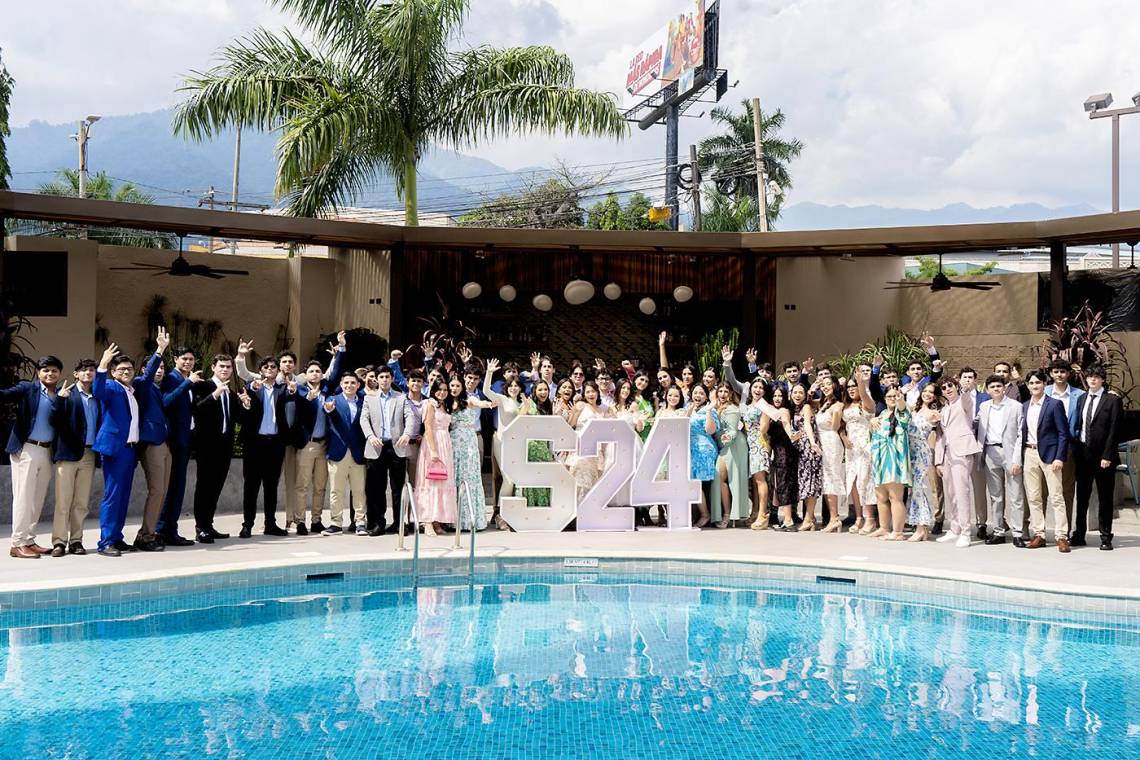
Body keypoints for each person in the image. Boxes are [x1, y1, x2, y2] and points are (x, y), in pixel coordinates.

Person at [92, 342, 158, 556]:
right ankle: (106, 542)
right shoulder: (112, 387)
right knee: (113, 496)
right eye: (121, 369)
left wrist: (159, 351)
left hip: (130, 450)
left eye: (129, 368)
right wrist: (102, 363)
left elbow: (147, 377)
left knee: (123, 495)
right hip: (115, 449)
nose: (126, 372)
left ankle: (117, 538)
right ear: (113, 372)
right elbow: (98, 391)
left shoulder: (131, 389)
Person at [134, 329, 196, 551]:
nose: (159, 371)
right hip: (155, 443)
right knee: (159, 490)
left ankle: (160, 531)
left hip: (170, 443)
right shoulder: (145, 383)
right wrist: (160, 349)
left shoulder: (157, 387)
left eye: (161, 368)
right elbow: (168, 402)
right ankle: (150, 533)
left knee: (168, 489)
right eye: (156, 368)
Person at [1, 355, 63, 558]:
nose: (50, 373)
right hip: (26, 449)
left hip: (46, 451)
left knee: (37, 499)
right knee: (23, 498)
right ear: (38, 373)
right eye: (45, 370)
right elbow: (4, 395)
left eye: (54, 370)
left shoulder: (61, 394)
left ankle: (28, 539)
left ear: (59, 373)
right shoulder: (28, 389)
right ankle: (17, 543)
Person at [291, 333, 346, 534]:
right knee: (302, 486)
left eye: (318, 371)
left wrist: (340, 349)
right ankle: (300, 522)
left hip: (324, 445)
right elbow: (298, 408)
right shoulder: (298, 390)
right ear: (305, 375)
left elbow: (337, 370)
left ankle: (316, 520)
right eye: (311, 371)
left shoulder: (328, 389)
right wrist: (308, 399)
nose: (315, 374)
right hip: (307, 444)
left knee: (320, 486)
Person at [238, 356, 296, 538]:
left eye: (273, 366)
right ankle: (247, 524)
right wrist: (250, 394)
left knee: (271, 487)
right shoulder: (253, 387)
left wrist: (293, 391)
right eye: (266, 366)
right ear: (261, 370)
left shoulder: (283, 389)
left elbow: (291, 397)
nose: (270, 369)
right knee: (251, 486)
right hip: (255, 444)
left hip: (275, 443)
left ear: (277, 370)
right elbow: (247, 395)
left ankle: (270, 523)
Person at [48, 359, 100, 556]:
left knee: (81, 502)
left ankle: (76, 541)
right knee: (63, 502)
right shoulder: (66, 393)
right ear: (76, 373)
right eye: (84, 370)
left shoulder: (97, 396)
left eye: (92, 370)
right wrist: (60, 399)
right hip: (68, 454)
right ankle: (59, 542)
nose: (88, 372)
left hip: (89, 453)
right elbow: (53, 420)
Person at [1070, 365, 1123, 551]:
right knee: (1082, 496)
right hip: (1084, 454)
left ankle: (1106, 536)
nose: (1092, 380)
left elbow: (1115, 430)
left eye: (1096, 377)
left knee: (1105, 497)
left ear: (1102, 379)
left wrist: (1108, 454)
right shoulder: (1082, 398)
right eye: (1090, 376)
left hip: (1103, 456)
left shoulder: (1112, 400)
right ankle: (1079, 534)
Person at [191, 354, 243, 544]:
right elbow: (197, 410)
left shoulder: (230, 391)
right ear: (213, 367)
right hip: (207, 445)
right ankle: (200, 528)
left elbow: (235, 419)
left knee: (216, 487)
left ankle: (209, 524)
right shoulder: (202, 386)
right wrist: (215, 394)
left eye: (228, 367)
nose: (225, 369)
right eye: (221, 366)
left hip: (225, 446)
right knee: (204, 486)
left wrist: (244, 404)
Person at [974, 374, 1025, 547]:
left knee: (1016, 494)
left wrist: (1017, 459)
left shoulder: (1016, 406)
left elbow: (1020, 435)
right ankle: (998, 531)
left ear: (1004, 388)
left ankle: (1018, 532)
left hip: (1010, 452)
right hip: (990, 451)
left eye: (999, 386)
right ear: (987, 390)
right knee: (996, 495)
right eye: (992, 387)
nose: (996, 389)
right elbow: (974, 424)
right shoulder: (984, 406)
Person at [1021, 370, 1070, 550]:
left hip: (1050, 455)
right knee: (1033, 497)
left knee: (1056, 496)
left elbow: (1063, 433)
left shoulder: (1054, 404)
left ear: (1044, 384)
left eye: (1038, 383)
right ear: (1027, 386)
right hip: (1029, 453)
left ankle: (1061, 536)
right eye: (1031, 383)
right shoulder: (1024, 406)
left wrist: (1059, 456)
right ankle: (1039, 534)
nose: (1035, 386)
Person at [156, 345, 199, 546]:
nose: (188, 362)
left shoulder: (186, 379)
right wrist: (188, 383)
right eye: (184, 359)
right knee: (171, 487)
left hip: (185, 440)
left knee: (178, 487)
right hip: (173, 441)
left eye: (191, 359)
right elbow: (166, 402)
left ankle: (171, 529)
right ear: (176, 359)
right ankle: (162, 530)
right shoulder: (172, 378)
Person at [360, 364, 411, 535]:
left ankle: (399, 523)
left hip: (396, 447)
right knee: (376, 487)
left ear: (392, 379)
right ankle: (377, 523)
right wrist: (371, 436)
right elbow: (364, 420)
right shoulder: (369, 398)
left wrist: (407, 434)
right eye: (381, 377)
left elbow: (409, 418)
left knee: (398, 488)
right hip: (376, 447)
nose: (384, 380)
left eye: (387, 377)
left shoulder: (401, 397)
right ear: (377, 379)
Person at [934, 373, 981, 548]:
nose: (948, 389)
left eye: (950, 386)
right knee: (952, 493)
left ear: (956, 387)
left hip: (962, 452)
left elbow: (967, 400)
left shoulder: (963, 402)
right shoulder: (943, 409)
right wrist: (939, 460)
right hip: (948, 454)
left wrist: (965, 389)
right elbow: (940, 436)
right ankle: (954, 528)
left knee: (962, 492)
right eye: (944, 388)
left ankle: (966, 532)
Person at [483, 359, 528, 529]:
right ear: (507, 388)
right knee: (507, 478)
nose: (514, 388)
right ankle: (500, 514)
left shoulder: (522, 404)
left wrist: (526, 405)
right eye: (511, 386)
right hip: (501, 442)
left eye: (517, 385)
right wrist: (489, 372)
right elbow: (486, 390)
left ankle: (508, 514)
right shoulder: (502, 399)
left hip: (517, 445)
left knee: (514, 479)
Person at [323, 372, 368, 535]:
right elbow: (328, 410)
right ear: (341, 385)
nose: (349, 385)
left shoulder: (364, 403)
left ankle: (360, 522)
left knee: (359, 490)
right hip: (338, 452)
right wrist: (329, 409)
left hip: (358, 453)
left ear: (358, 385)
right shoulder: (332, 400)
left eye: (353, 383)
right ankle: (335, 523)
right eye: (346, 382)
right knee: (336, 490)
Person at [450, 372, 495, 532]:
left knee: (470, 477)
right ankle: (453, 521)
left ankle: (471, 519)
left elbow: (479, 402)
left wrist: (488, 404)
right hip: (453, 443)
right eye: (452, 385)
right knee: (455, 478)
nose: (455, 388)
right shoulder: (446, 403)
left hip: (469, 442)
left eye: (457, 386)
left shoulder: (468, 400)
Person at [1044, 359, 1084, 527]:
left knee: (1067, 490)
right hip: (1046, 446)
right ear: (1051, 374)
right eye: (1055, 372)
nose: (1059, 375)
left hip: (1068, 445)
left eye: (1062, 371)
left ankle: (1064, 531)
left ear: (1068, 374)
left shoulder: (1080, 395)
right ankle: (1040, 531)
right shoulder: (1044, 391)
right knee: (1042, 490)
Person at [869, 386, 911, 540]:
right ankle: (884, 527)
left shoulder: (902, 413)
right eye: (890, 396)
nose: (893, 398)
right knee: (881, 498)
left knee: (895, 497)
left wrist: (900, 400)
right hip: (879, 460)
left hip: (894, 460)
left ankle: (898, 532)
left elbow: (901, 408)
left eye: (896, 396)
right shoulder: (881, 415)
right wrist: (872, 421)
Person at [416, 378, 457, 536]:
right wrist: (433, 450)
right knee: (430, 482)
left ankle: (437, 520)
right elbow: (427, 427)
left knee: (442, 481)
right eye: (439, 389)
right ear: (433, 390)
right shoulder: (430, 404)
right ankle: (427, 521)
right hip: (433, 444)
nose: (442, 392)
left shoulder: (444, 405)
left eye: (445, 390)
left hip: (445, 443)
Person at [840, 371, 877, 534]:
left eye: (853, 386)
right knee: (853, 482)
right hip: (851, 449)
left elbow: (870, 405)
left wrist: (861, 383)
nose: (851, 389)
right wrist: (843, 437)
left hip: (865, 447)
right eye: (848, 387)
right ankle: (859, 517)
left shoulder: (865, 403)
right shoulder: (845, 406)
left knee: (865, 481)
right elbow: (840, 425)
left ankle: (870, 519)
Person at [710, 382, 750, 528]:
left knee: (733, 480)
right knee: (718, 478)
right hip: (723, 446)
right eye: (720, 391)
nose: (723, 394)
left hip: (734, 446)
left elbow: (733, 430)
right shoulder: (716, 408)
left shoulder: (733, 409)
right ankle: (726, 513)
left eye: (726, 391)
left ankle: (729, 515)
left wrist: (728, 437)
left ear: (731, 394)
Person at [906, 384, 942, 542]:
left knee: (919, 489)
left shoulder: (934, 413)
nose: (927, 394)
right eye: (925, 391)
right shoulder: (913, 409)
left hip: (922, 452)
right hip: (910, 452)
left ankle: (922, 527)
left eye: (931, 392)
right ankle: (921, 527)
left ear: (935, 396)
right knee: (914, 490)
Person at [766, 385, 799, 531]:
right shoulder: (771, 411)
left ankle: (788, 520)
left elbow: (786, 424)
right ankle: (787, 519)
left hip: (784, 453)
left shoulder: (783, 410)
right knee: (782, 484)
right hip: (779, 452)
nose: (777, 398)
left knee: (783, 484)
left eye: (780, 396)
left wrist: (791, 434)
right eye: (774, 396)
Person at [790, 384, 823, 531]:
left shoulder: (806, 408)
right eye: (795, 392)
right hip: (801, 450)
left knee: (810, 485)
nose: (797, 395)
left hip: (809, 449)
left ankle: (809, 518)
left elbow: (808, 426)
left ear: (805, 395)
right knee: (805, 484)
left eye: (800, 393)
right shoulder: (793, 409)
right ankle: (811, 518)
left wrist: (812, 443)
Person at [815, 377, 846, 532]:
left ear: (835, 386)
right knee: (826, 479)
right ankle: (834, 518)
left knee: (831, 477)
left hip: (831, 442)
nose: (825, 387)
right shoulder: (824, 403)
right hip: (823, 442)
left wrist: (836, 413)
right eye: (824, 384)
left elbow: (835, 427)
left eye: (829, 384)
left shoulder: (838, 405)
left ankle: (834, 518)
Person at [687, 384, 719, 528]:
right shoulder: (688, 408)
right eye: (695, 393)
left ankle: (705, 514)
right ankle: (697, 514)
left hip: (703, 449)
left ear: (706, 396)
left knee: (696, 482)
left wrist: (708, 410)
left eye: (701, 393)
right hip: (690, 450)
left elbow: (710, 430)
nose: (697, 395)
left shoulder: (710, 411)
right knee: (693, 483)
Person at [519, 380, 553, 510]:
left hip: (544, 448)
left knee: (543, 479)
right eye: (540, 390)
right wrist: (526, 408)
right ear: (534, 391)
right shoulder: (529, 403)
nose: (543, 392)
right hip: (531, 447)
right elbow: (519, 421)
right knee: (531, 478)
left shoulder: (548, 405)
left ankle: (542, 508)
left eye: (545, 390)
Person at [899, 335, 944, 408]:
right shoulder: (904, 383)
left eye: (918, 369)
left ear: (923, 371)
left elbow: (936, 367)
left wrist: (930, 348)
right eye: (913, 369)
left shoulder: (929, 381)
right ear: (908, 372)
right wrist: (901, 392)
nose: (916, 371)